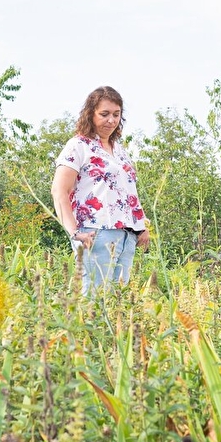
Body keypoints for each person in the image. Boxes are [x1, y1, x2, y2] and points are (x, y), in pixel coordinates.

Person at [52, 86, 149, 294]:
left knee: (120, 305)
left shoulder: (120, 151)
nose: (111, 120)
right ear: (90, 114)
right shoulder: (78, 146)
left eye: (116, 115)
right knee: (94, 304)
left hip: (127, 235)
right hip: (97, 234)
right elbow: (59, 192)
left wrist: (141, 225)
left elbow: (128, 193)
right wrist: (74, 232)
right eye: (104, 114)